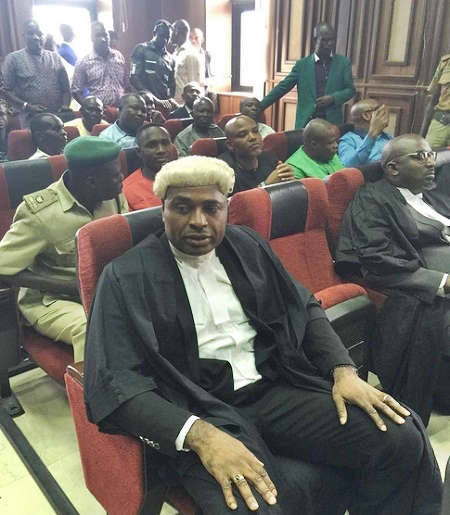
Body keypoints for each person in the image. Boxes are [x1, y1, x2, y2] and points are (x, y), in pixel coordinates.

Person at [84, 154, 442, 515]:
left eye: (211, 208)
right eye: (182, 207)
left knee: (401, 436)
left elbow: (303, 307)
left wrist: (343, 371)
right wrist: (201, 436)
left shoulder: (247, 245)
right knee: (253, 504)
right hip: (198, 407)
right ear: (163, 210)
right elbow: (117, 379)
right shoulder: (125, 276)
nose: (198, 221)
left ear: (226, 209)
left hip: (274, 385)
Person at [335, 134, 450, 424]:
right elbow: (378, 260)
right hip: (431, 283)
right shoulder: (373, 199)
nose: (430, 163)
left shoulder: (431, 195)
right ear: (393, 168)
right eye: (420, 156)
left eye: (430, 155)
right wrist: (442, 282)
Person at [0, 137, 127, 362]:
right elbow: (3, 267)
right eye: (116, 175)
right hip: (53, 300)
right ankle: (93, 384)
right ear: (91, 182)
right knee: (90, 328)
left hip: (104, 291)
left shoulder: (112, 197)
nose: (122, 178)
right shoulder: (41, 215)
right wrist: (68, 287)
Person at [260, 22, 355, 130]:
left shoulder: (343, 63)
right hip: (306, 124)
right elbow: (282, 87)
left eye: (332, 39)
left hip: (331, 123)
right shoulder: (302, 65)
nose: (329, 43)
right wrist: (260, 106)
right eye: (325, 40)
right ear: (315, 40)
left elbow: (350, 90)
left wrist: (333, 98)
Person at [2, 19, 71, 129]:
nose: (36, 37)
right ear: (24, 35)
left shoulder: (56, 58)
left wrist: (65, 105)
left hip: (57, 118)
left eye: (40, 34)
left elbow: (66, 89)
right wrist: (27, 106)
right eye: (31, 33)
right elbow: (5, 91)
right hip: (30, 119)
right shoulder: (13, 59)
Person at [220, 115, 294, 194]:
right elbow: (235, 201)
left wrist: (288, 180)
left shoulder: (269, 158)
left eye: (255, 131)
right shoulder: (222, 170)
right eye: (242, 135)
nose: (252, 137)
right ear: (230, 145)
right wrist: (266, 185)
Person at [71, 21, 130, 108]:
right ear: (91, 38)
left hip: (120, 111)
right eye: (98, 35)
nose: (103, 39)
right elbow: (76, 91)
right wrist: (91, 108)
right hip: (98, 112)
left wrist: (125, 105)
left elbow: (127, 86)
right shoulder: (83, 62)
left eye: (105, 35)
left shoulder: (119, 56)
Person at [123, 123, 173, 210]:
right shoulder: (127, 191)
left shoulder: (188, 178)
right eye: (151, 145)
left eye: (165, 143)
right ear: (139, 152)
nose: (161, 150)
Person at [130, 20, 176, 111]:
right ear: (154, 33)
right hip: (145, 105)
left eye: (168, 37)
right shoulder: (141, 49)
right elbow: (134, 78)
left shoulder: (171, 59)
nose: (165, 40)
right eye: (161, 36)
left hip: (164, 106)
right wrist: (154, 99)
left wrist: (169, 100)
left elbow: (172, 85)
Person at [338, 99, 392, 167]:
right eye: (378, 109)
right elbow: (347, 166)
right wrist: (372, 134)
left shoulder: (387, 137)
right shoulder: (348, 140)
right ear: (366, 115)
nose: (385, 111)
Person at [171, 20, 205, 104]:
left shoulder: (191, 53)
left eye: (171, 32)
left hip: (186, 104)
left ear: (176, 31)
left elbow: (195, 85)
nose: (169, 35)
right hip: (175, 102)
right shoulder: (175, 53)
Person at [421, 51, 450, 148]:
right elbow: (434, 98)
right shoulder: (445, 62)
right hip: (440, 121)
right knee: (427, 154)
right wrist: (422, 132)